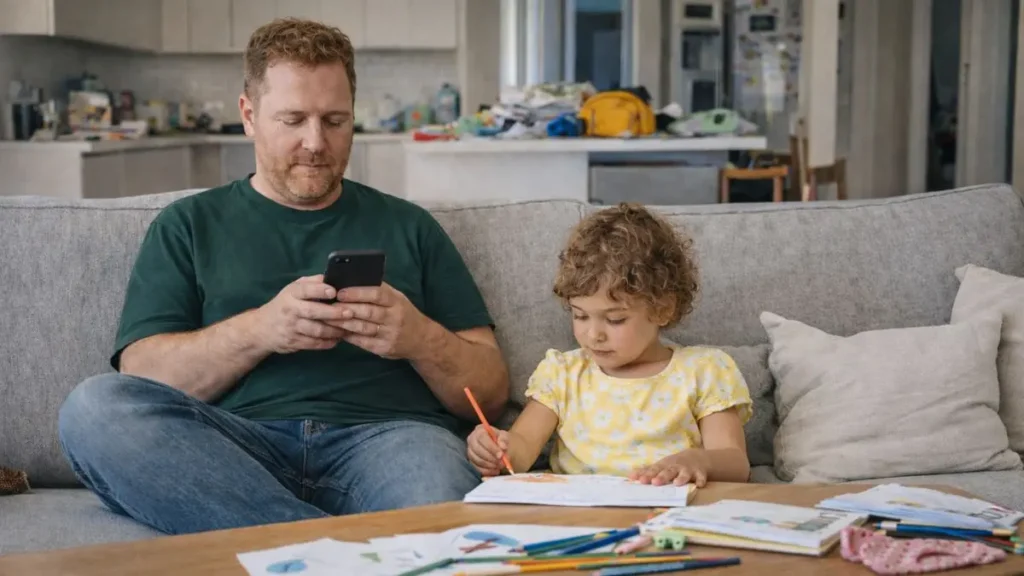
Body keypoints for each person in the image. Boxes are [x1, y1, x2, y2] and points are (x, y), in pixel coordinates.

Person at [57, 18, 509, 535]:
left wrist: (417, 337)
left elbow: (491, 392)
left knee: (438, 497)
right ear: (249, 116)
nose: (316, 142)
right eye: (293, 119)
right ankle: (327, 555)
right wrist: (261, 330)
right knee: (93, 409)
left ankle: (288, 552)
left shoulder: (411, 226)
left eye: (335, 121)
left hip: (392, 439)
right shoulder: (188, 225)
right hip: (234, 447)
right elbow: (143, 375)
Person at [466, 203, 752, 487]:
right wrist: (497, 448)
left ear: (662, 309)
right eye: (580, 315)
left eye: (614, 320)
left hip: (667, 514)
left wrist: (697, 461)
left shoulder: (705, 370)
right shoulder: (562, 374)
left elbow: (736, 464)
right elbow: (522, 450)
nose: (593, 335)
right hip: (580, 518)